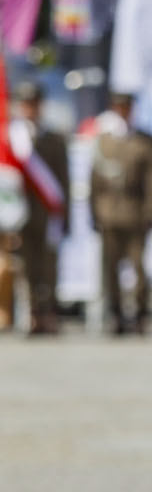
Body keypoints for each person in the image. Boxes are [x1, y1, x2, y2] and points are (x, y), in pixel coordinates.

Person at [86, 97, 152, 336]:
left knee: (138, 267)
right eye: (118, 108)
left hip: (135, 213)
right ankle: (115, 312)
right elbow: (94, 181)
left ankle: (140, 313)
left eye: (126, 108)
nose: (123, 112)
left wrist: (150, 212)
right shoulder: (104, 141)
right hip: (108, 213)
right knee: (110, 268)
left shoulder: (144, 141)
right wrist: (93, 212)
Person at [8, 80, 68, 335]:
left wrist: (66, 218)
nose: (30, 109)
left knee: (49, 265)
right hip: (19, 213)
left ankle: (49, 313)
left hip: (48, 213)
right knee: (26, 266)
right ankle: (31, 314)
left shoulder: (54, 139)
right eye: (26, 104)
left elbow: (63, 180)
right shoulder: (11, 139)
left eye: (34, 104)